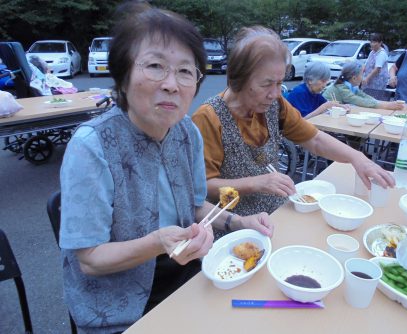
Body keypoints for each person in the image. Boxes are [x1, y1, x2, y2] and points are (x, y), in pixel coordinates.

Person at [59, 4, 272, 333]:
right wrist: (158, 242)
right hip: (122, 302)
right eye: (155, 66)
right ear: (123, 74)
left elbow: (194, 205)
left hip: (188, 275)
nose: (172, 84)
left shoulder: (186, 132)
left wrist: (238, 220)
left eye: (186, 71)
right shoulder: (91, 146)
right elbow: (89, 259)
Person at [192, 26, 395, 227]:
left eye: (280, 83)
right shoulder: (209, 117)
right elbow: (204, 187)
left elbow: (314, 139)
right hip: (232, 222)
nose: (275, 93)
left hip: (277, 210)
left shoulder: (275, 104)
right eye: (266, 84)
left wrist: (357, 158)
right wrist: (257, 182)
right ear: (238, 79)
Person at [323, 60, 404, 110]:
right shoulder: (342, 88)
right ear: (354, 78)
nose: (363, 77)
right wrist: (386, 106)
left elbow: (364, 96)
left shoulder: (350, 86)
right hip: (324, 115)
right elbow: (360, 101)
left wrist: (383, 103)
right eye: (362, 75)